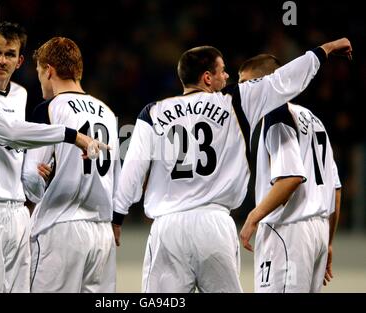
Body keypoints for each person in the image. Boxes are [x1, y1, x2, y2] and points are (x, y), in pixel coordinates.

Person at [112, 38, 352, 293]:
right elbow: (284, 79)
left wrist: (117, 217)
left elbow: (133, 170)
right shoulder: (234, 101)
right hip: (215, 225)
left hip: (167, 228)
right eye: (222, 70)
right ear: (207, 77)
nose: (227, 76)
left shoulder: (152, 112)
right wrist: (325, 50)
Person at [0, 22, 107, 293]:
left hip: (17, 216)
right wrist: (72, 135)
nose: (2, 59)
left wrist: (39, 173)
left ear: (20, 61)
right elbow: (9, 132)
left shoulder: (20, 95)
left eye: (10, 54)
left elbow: (18, 148)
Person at [21, 37, 120, 293]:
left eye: (40, 72)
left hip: (61, 228)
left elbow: (32, 180)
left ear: (49, 70)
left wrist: (43, 179)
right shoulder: (108, 112)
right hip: (101, 234)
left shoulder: (50, 109)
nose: (40, 79)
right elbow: (116, 181)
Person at [238, 54, 342, 292]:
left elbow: (291, 177)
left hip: (287, 232)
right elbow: (335, 188)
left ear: (265, 83)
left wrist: (253, 217)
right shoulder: (313, 119)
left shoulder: (276, 115)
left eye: (245, 83)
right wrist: (328, 243)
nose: (242, 92)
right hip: (318, 232)